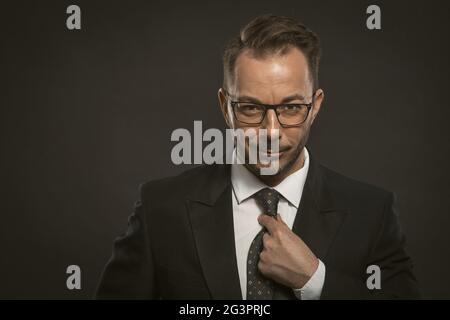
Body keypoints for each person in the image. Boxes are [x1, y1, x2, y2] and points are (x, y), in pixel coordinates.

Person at [96, 14, 420, 299]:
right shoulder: (160, 207)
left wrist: (314, 281)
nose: (271, 130)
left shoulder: (371, 212)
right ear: (226, 106)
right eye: (251, 108)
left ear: (315, 105)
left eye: (291, 108)